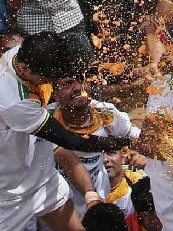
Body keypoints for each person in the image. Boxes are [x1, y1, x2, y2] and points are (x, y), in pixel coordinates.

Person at [0, 32, 124, 231]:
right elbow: (70, 140)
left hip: (40, 177)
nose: (50, 82)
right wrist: (112, 142)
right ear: (25, 68)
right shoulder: (15, 102)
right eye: (46, 78)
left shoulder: (18, 53)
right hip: (4, 193)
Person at [48, 75, 135, 217]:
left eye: (82, 81)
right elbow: (68, 159)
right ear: (55, 94)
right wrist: (90, 194)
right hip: (59, 213)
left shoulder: (104, 112)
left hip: (99, 207)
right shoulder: (48, 118)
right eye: (68, 84)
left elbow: (132, 133)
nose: (77, 88)